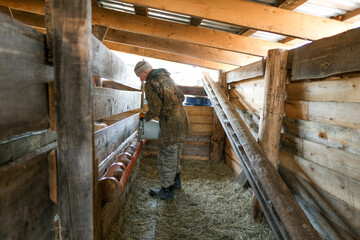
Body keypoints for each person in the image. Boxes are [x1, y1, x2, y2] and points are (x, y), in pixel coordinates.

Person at [134, 60, 190, 200]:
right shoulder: (166, 77)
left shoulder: (151, 83)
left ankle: (166, 190)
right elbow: (181, 96)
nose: (140, 79)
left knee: (166, 156)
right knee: (175, 153)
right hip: (182, 120)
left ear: (145, 72)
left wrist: (143, 119)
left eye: (139, 75)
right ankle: (176, 182)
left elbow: (155, 109)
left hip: (170, 124)